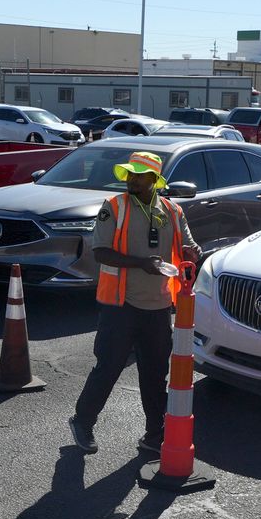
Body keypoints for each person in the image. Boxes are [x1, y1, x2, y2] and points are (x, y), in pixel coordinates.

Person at [68, 150, 201, 455]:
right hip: (121, 305)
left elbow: (189, 246)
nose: (132, 180)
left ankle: (154, 436)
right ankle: (83, 421)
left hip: (157, 307)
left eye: (139, 175)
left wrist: (194, 252)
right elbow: (100, 252)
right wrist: (141, 263)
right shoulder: (114, 207)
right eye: (130, 174)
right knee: (109, 367)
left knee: (155, 375)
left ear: (154, 179)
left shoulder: (172, 211)